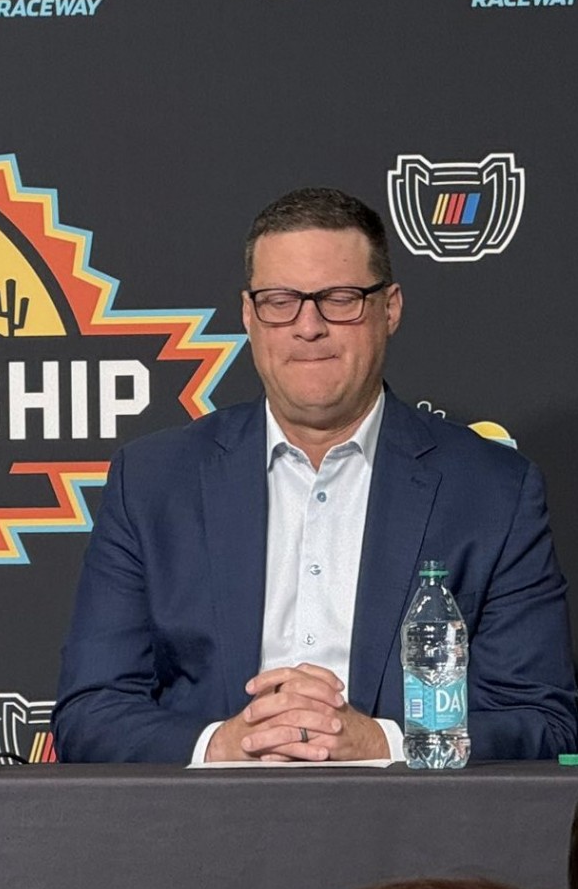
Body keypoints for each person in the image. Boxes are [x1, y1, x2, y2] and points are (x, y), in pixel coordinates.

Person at [52, 188, 577, 763]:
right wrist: (225, 746)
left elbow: (543, 722)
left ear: (390, 308)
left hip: (410, 834)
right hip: (201, 834)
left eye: (339, 298)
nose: (309, 326)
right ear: (250, 315)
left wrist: (383, 743)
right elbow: (91, 711)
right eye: (281, 301)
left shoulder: (492, 491)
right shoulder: (152, 482)